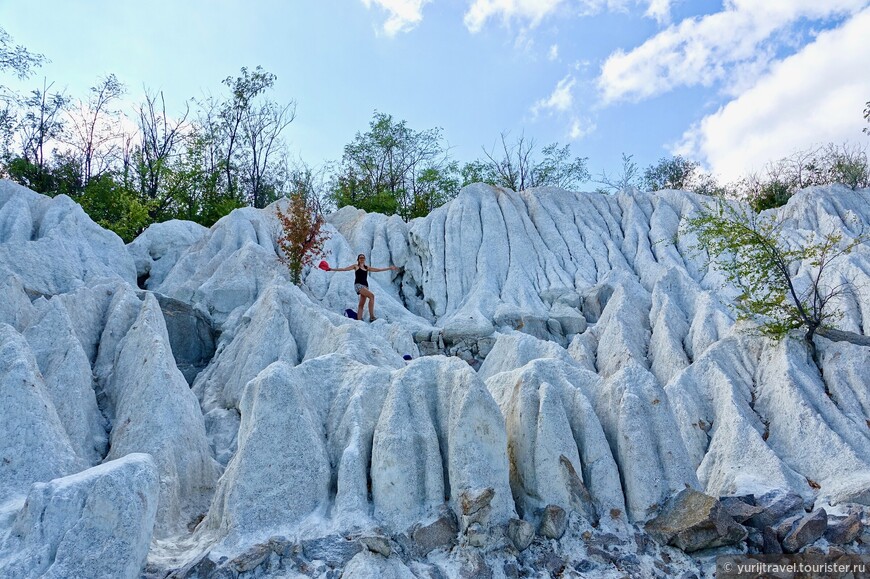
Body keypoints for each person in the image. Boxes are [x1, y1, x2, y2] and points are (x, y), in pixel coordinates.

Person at [328, 254, 397, 321]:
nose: (362, 259)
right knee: (372, 296)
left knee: (361, 304)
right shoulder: (356, 266)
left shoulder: (366, 267)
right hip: (358, 285)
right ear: (358, 259)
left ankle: (359, 319)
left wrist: (389, 268)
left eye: (363, 258)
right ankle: (372, 317)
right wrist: (331, 269)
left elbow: (378, 270)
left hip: (365, 286)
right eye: (360, 258)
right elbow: (344, 269)